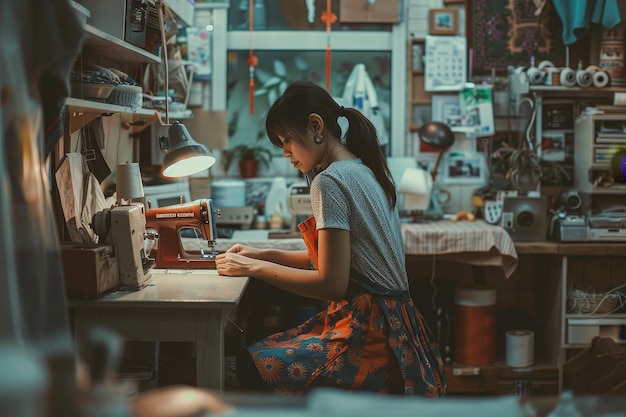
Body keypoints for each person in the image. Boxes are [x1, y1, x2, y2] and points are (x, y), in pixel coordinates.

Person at [215, 81, 446, 396]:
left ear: (315, 126)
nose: (285, 153)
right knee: (256, 356)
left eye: (286, 141)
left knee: (239, 367)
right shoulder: (363, 169)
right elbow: (333, 262)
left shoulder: (329, 181)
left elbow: (331, 283)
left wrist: (252, 269)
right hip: (396, 326)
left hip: (371, 337)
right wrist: (261, 254)